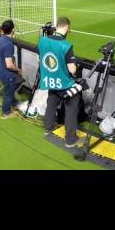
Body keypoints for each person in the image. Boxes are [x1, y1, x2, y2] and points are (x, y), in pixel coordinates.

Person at [38, 17, 82, 147]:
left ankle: (48, 128)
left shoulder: (43, 40)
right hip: (65, 83)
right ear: (67, 27)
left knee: (51, 103)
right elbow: (72, 70)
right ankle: (70, 139)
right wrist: (75, 67)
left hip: (50, 81)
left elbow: (40, 58)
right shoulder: (66, 46)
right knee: (71, 109)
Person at [0, 20, 23, 119]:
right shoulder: (8, 44)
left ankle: (14, 102)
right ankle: (5, 112)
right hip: (7, 74)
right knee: (8, 92)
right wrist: (18, 70)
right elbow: (9, 65)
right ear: (13, 30)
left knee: (10, 89)